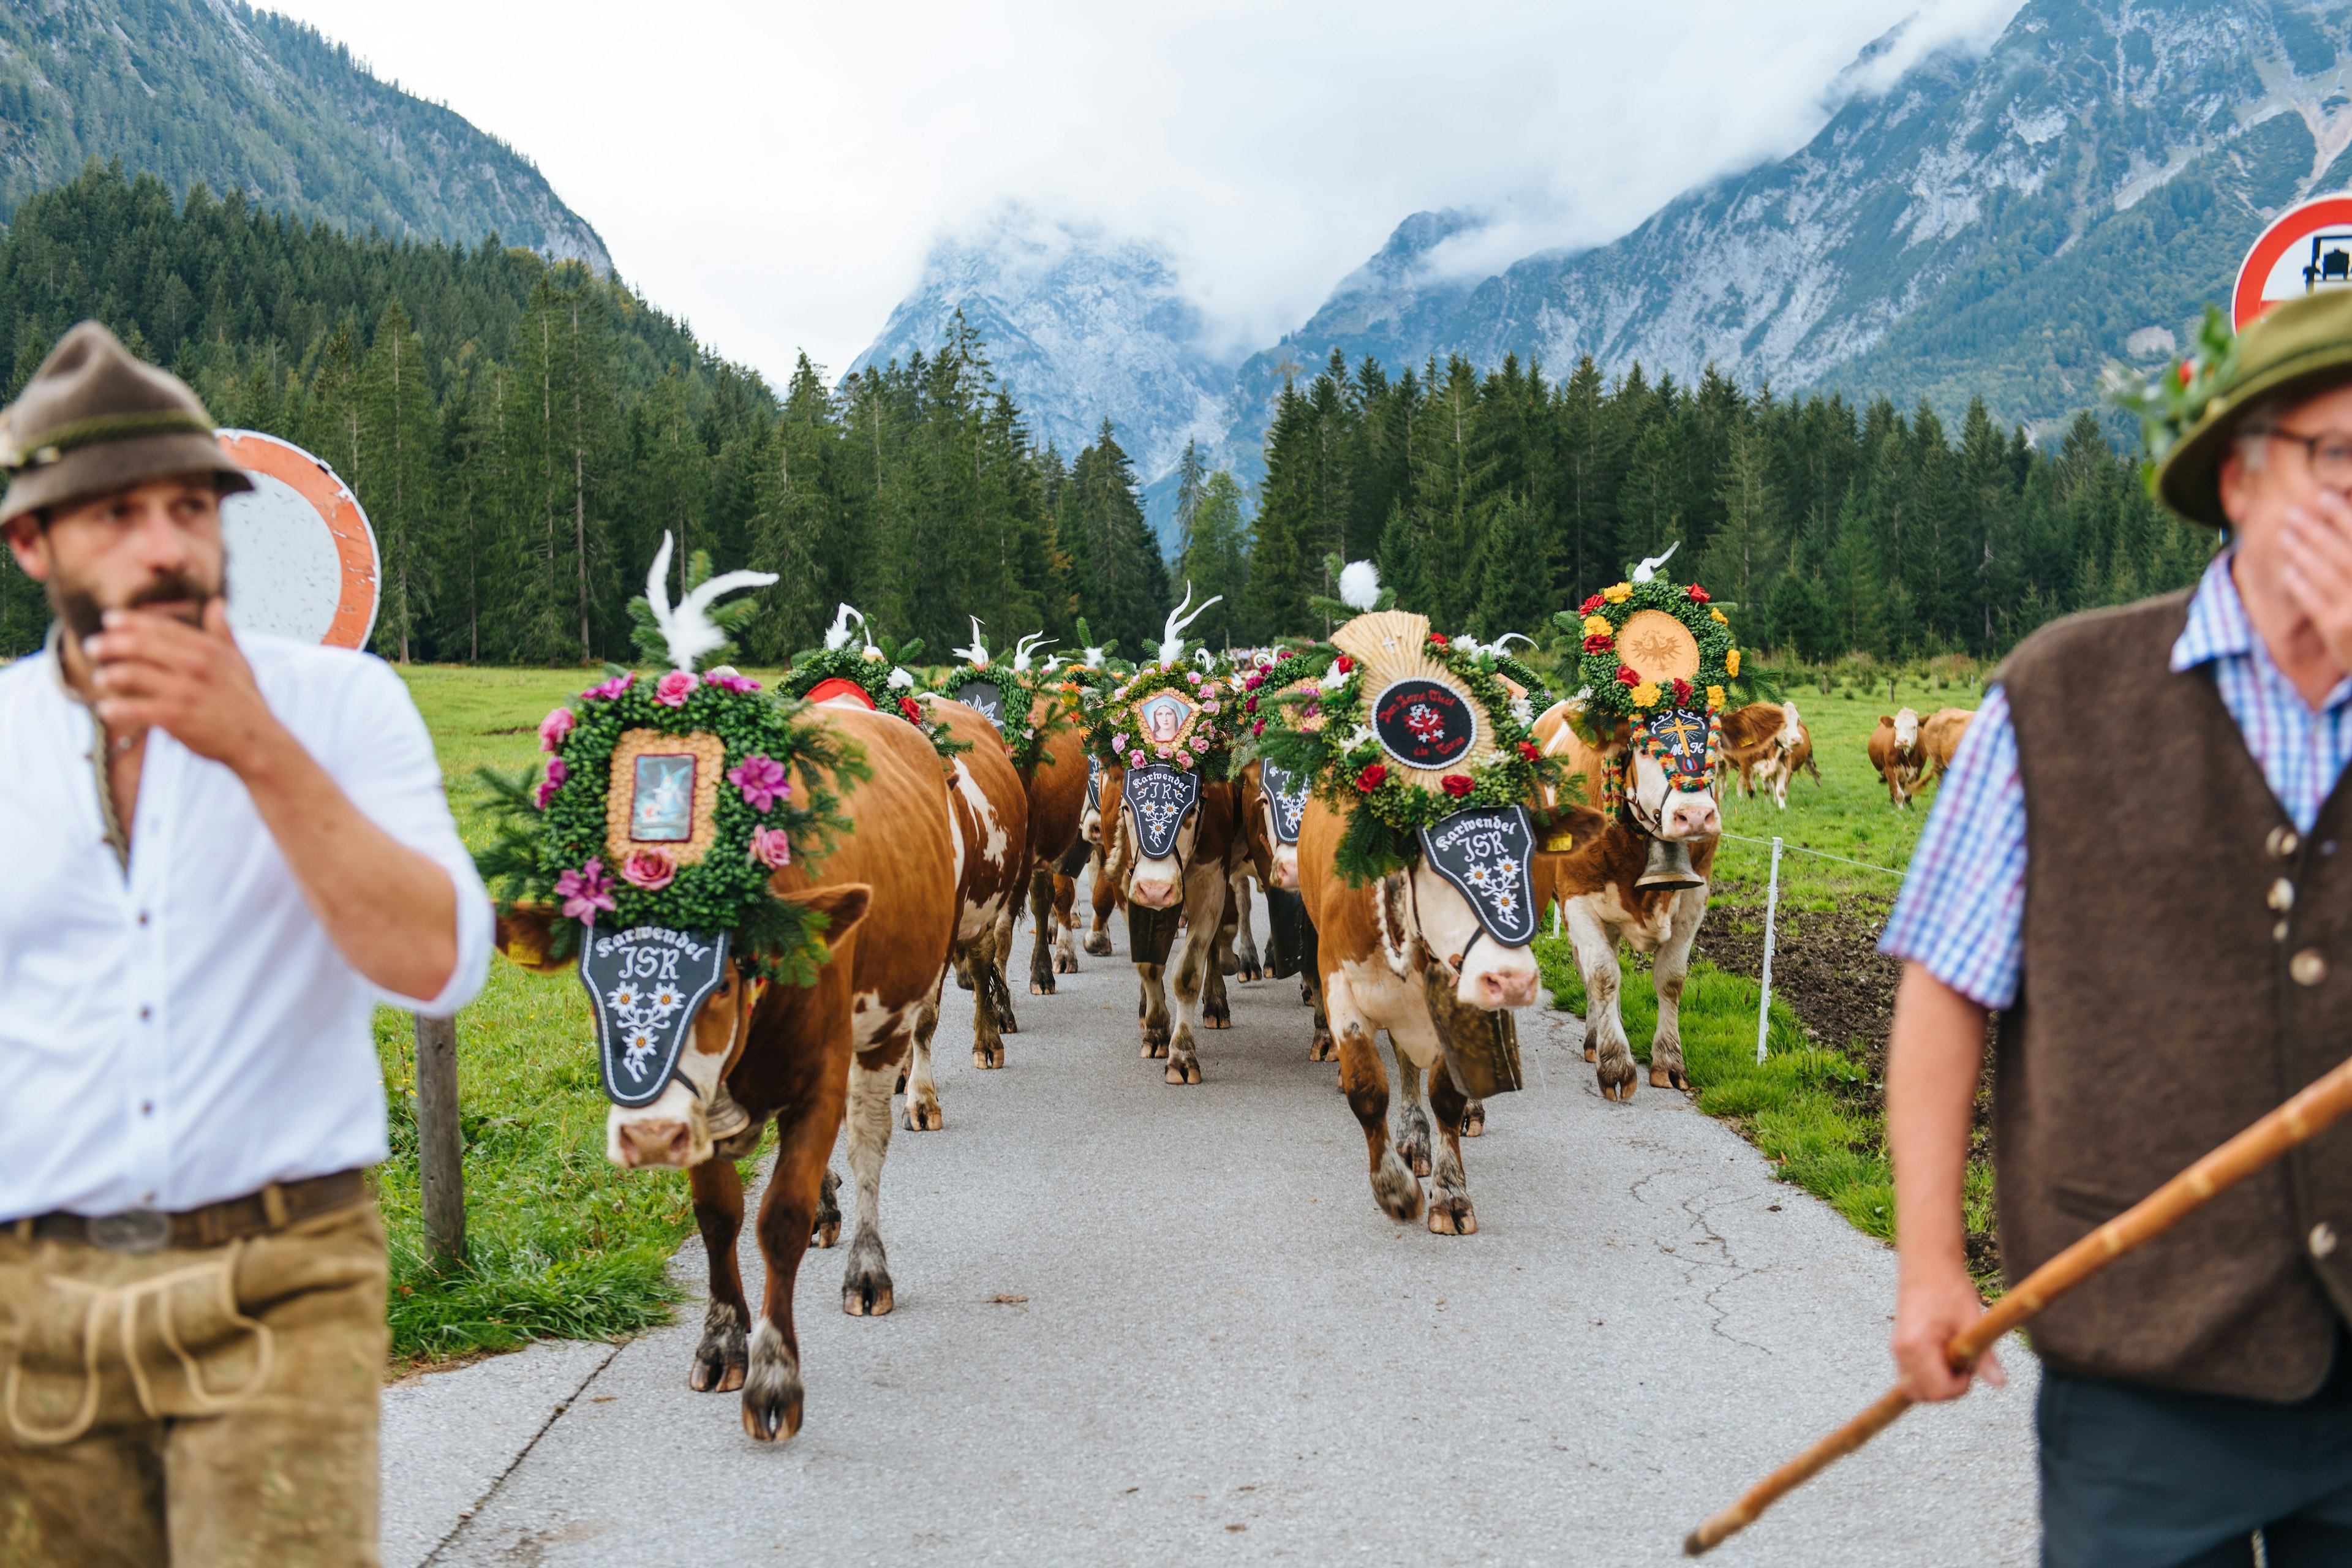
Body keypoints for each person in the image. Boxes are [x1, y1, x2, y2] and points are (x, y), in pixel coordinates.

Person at [0, 322, 491, 1564]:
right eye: (114, 514)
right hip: (31, 1291)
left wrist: (256, 745)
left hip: (281, 1271)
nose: (166, 543)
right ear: (31, 544)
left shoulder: (338, 703)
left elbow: (440, 960)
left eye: (190, 505)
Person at [1881, 287, 2352, 1567]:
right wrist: (1932, 1262)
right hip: (2143, 1341)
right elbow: (1947, 985)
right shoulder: (2060, 691)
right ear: (2241, 477)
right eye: (2341, 456)